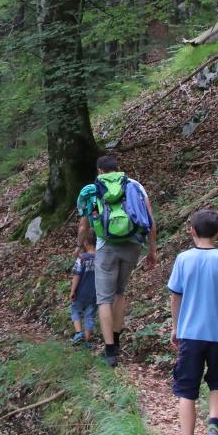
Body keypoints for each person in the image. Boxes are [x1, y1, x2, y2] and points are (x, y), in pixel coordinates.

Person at [167, 207, 218, 435]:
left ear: (192, 232)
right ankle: (214, 424)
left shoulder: (183, 259)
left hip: (190, 334)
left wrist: (176, 326)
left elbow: (176, 296)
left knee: (187, 390)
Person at [77, 153, 157, 368]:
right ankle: (117, 340)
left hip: (106, 247)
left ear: (99, 171)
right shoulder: (134, 185)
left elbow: (84, 225)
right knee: (119, 293)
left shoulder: (93, 189)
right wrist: (152, 250)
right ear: (118, 168)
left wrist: (79, 247)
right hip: (132, 245)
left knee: (104, 298)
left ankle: (110, 351)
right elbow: (149, 219)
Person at [69, 222, 97, 345]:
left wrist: (73, 290)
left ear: (85, 243)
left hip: (81, 292)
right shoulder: (102, 258)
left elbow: (76, 275)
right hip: (95, 294)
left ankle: (79, 332)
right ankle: (86, 341)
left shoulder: (82, 258)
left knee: (75, 310)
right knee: (90, 316)